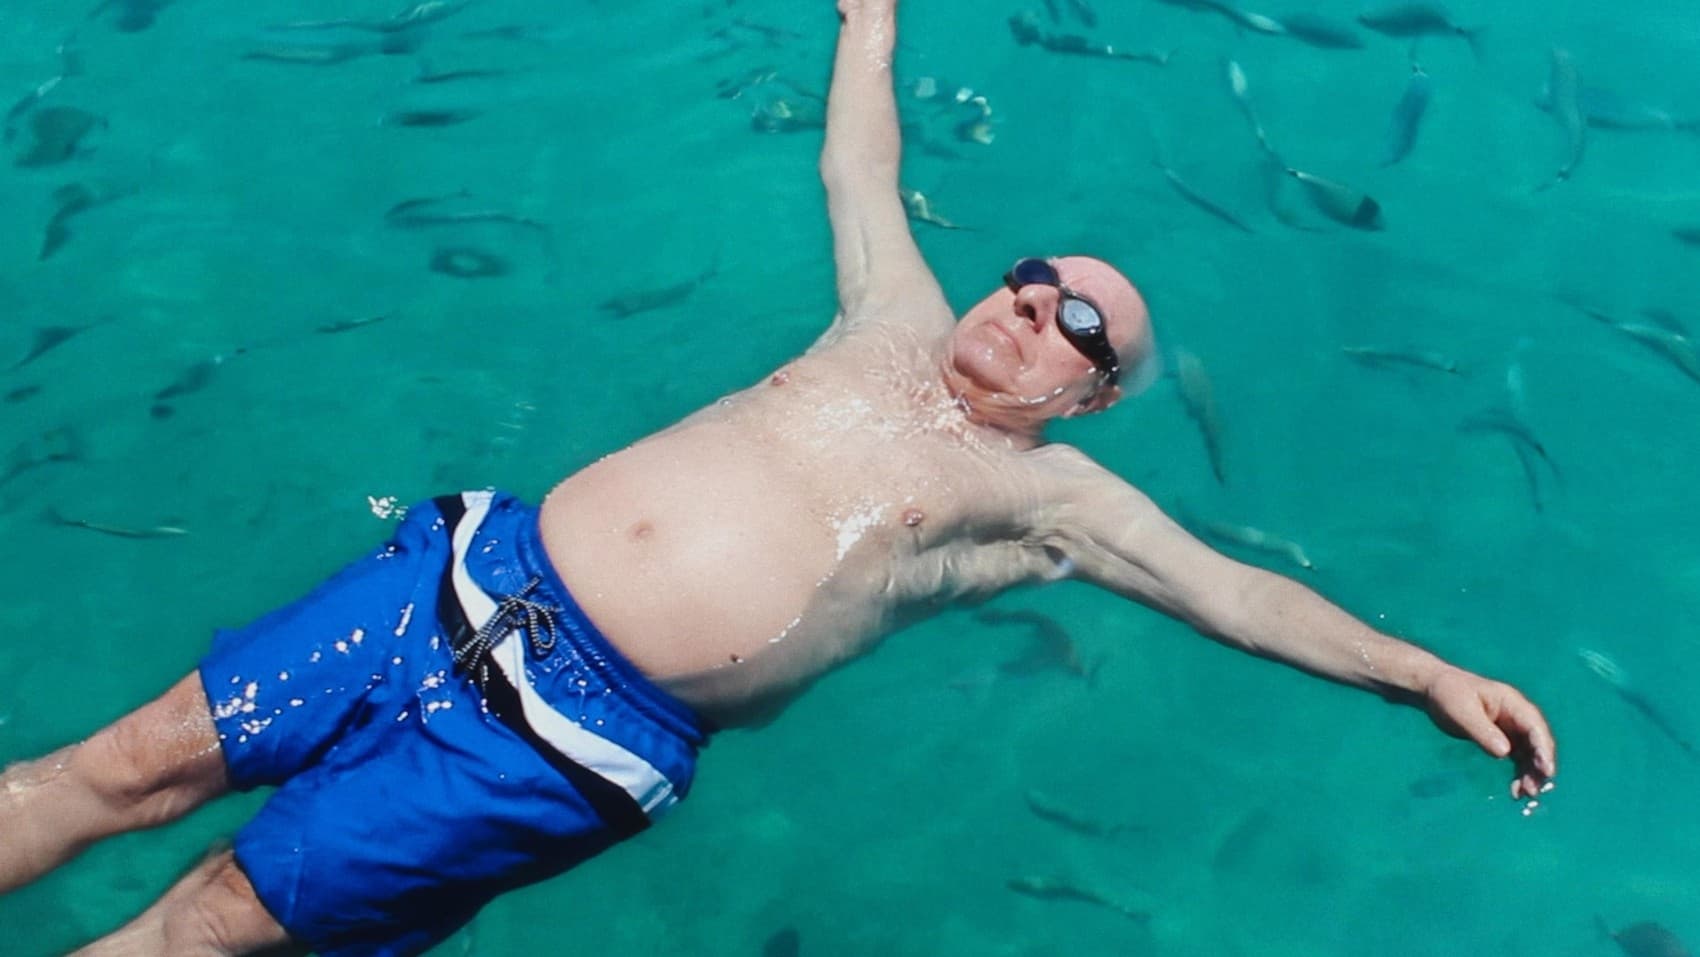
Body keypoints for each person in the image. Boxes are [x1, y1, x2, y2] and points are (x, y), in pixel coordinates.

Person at [0, 1, 1557, 954]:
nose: (1033, 306)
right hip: (458, 580)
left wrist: (1421, 672)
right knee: (120, 762)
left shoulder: (1052, 504)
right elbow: (856, 163)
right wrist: (870, 23)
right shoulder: (889, 315)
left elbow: (1238, 593)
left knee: (216, 918)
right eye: (1035, 276)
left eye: (1078, 323)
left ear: (1089, 395)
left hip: (562, 744)